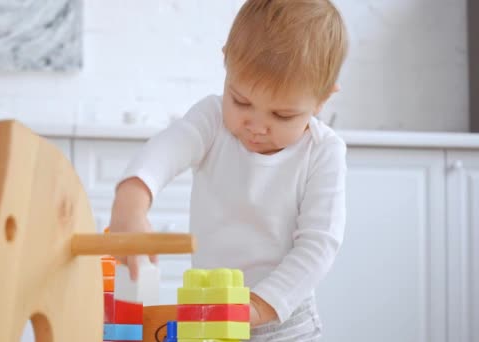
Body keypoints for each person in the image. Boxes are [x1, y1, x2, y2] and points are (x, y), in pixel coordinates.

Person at [108, 0, 349, 340]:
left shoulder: (324, 152)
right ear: (227, 63)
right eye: (241, 101)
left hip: (282, 320)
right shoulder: (212, 120)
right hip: (209, 312)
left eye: (282, 116)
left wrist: (259, 307)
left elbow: (318, 245)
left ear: (322, 99)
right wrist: (130, 205)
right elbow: (164, 151)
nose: (257, 126)